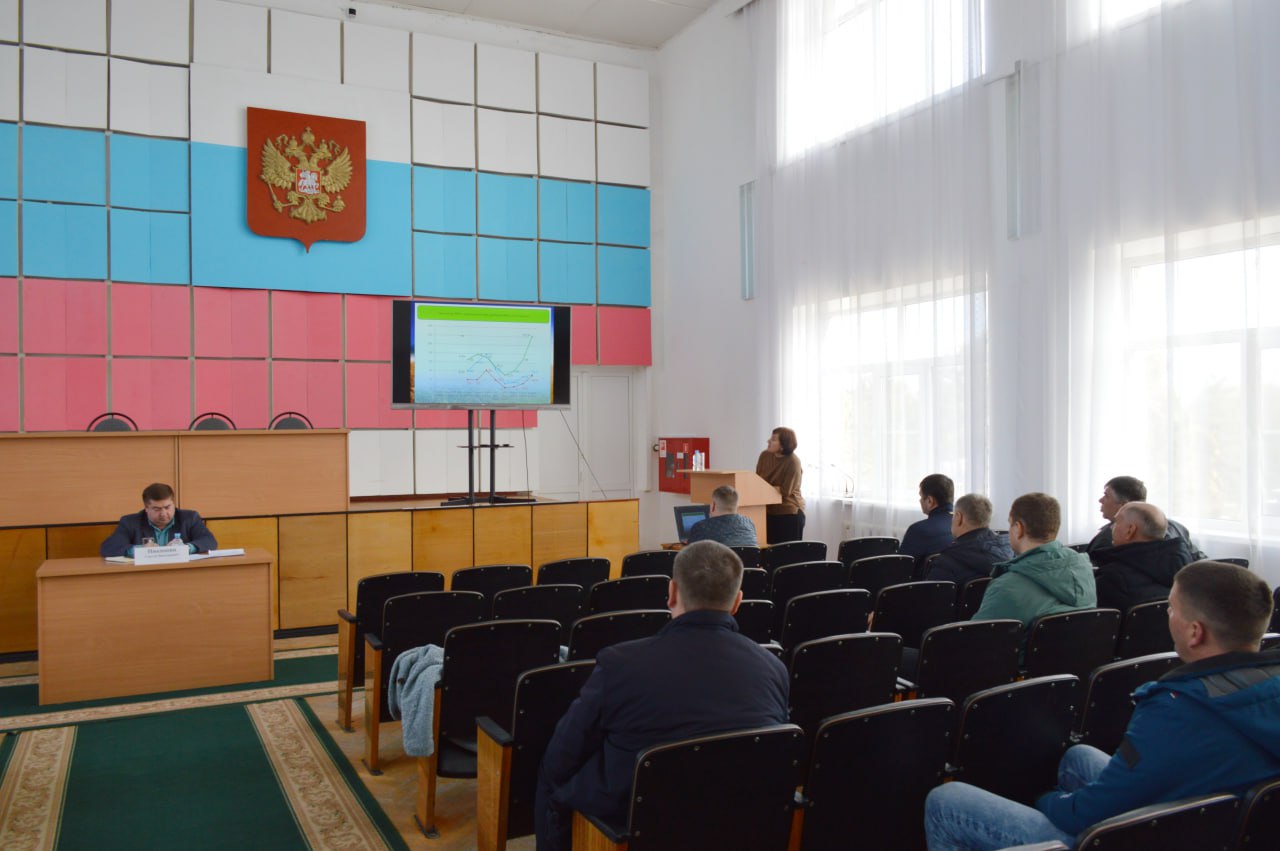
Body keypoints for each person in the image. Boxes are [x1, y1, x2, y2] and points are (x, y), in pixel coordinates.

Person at [925, 560, 1280, 850]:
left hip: (1145, 837)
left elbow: (1085, 815)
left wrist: (1044, 799)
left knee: (947, 801)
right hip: (1215, 823)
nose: (1168, 614)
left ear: (1195, 632)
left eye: (1172, 609)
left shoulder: (1176, 708)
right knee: (1077, 756)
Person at [535, 540, 789, 850]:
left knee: (550, 777)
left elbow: (561, 758)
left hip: (640, 820)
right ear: (737, 602)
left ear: (671, 593)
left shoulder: (620, 664)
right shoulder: (773, 668)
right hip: (739, 817)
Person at [970, 493, 1095, 629]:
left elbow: (976, 637)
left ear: (1019, 529)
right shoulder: (1084, 570)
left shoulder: (1006, 587)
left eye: (1010, 524)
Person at [1092, 501, 1194, 613]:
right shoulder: (1186, 570)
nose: (1112, 528)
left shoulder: (1112, 577)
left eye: (1116, 523)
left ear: (1130, 530)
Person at [1087, 475, 1205, 559]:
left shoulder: (1111, 537)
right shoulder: (1177, 527)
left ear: (1124, 505)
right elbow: (1199, 559)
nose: (1100, 500)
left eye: (1106, 496)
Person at [100, 483, 217, 557]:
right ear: (146, 508)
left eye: (167, 507)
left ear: (173, 504)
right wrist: (140, 550)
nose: (163, 513)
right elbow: (108, 547)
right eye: (157, 509)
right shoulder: (130, 522)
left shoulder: (189, 518)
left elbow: (210, 541)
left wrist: (186, 548)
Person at [924, 493, 1013, 585]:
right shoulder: (1010, 551)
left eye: (953, 515)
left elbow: (931, 593)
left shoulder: (946, 562)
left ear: (959, 517)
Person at [755, 427, 805, 544]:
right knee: (767, 551)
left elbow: (785, 491)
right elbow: (757, 480)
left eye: (773, 439)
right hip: (767, 511)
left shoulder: (793, 461)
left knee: (787, 552)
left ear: (783, 445)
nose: (768, 441)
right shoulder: (764, 456)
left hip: (789, 512)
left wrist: (765, 488)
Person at [900, 474, 956, 563]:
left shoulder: (919, 530)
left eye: (921, 497)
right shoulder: (964, 526)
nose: (920, 500)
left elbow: (900, 566)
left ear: (930, 501)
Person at [687, 485, 758, 547]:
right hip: (746, 559)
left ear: (713, 505)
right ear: (737, 505)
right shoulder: (749, 523)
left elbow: (691, 554)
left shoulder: (701, 527)